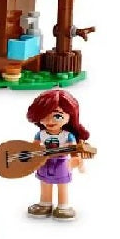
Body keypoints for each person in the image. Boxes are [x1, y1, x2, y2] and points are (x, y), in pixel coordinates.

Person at [25, 89, 90, 220]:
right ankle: (45, 204)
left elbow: (73, 149)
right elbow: (34, 147)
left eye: (57, 116)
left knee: (62, 184)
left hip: (61, 162)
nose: (50, 120)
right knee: (45, 182)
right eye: (44, 115)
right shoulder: (40, 134)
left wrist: (76, 160)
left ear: (69, 116)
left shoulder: (67, 135)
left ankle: (63, 206)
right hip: (44, 162)